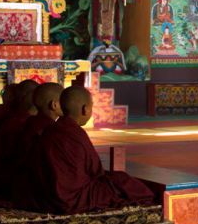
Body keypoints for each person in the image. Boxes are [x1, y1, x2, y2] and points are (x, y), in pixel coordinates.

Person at [20, 86, 157, 214]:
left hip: (43, 196)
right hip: (71, 199)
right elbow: (95, 172)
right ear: (85, 109)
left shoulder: (50, 130)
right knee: (124, 182)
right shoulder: (74, 133)